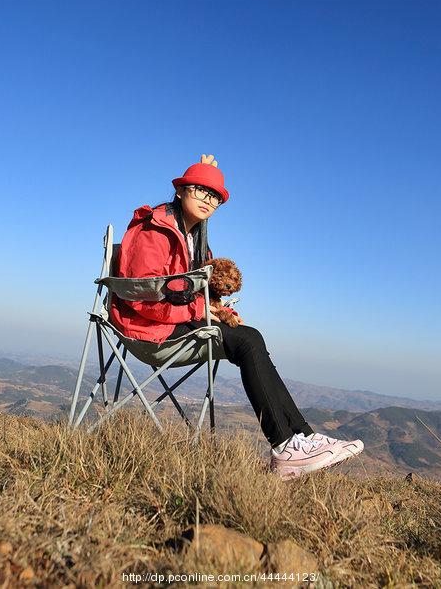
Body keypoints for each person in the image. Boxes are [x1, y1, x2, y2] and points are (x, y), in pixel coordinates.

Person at [110, 155, 365, 479]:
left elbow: (199, 292)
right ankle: (287, 445)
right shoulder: (155, 231)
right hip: (150, 332)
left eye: (214, 196)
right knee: (247, 342)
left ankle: (302, 438)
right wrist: (201, 310)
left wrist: (218, 310)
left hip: (174, 322)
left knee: (249, 336)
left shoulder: (193, 237)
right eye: (200, 190)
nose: (209, 200)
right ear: (179, 191)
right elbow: (142, 298)